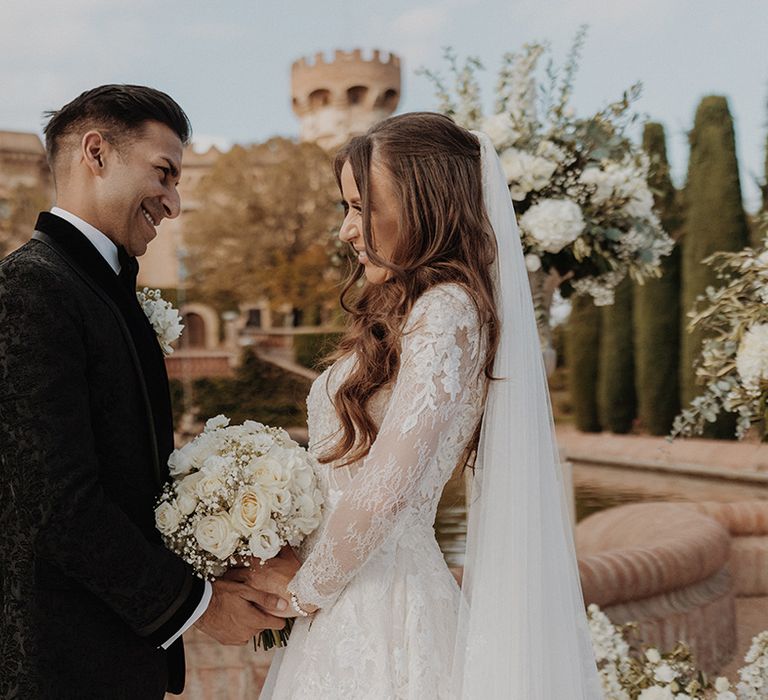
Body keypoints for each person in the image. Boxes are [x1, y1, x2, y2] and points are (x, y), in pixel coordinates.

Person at [250, 113, 603, 698]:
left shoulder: (447, 312)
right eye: (347, 208)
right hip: (347, 600)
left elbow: (388, 483)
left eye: (361, 207)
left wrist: (300, 593)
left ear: (423, 204)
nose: (347, 230)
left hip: (386, 609)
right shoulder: (404, 310)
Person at [0, 84, 290, 699]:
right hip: (58, 665)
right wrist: (198, 607)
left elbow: (127, 483)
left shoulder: (100, 289)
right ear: (96, 153)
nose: (174, 202)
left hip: (114, 657)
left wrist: (215, 555)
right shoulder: (30, 289)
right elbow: (55, 502)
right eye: (163, 174)